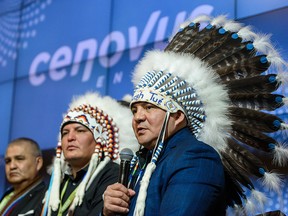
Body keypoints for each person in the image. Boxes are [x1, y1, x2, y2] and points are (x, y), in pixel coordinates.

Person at [103, 15, 288, 216]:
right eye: (134, 109)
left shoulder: (197, 158)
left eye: (149, 107)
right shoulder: (138, 165)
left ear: (178, 116)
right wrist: (107, 212)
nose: (138, 117)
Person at [43, 92, 139, 216]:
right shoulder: (58, 181)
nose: (70, 137)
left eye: (80, 130)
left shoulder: (112, 175)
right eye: (65, 132)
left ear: (99, 140)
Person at [0, 137, 46, 216]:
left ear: (38, 163)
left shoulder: (46, 197)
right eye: (8, 161)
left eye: (19, 159)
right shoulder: (7, 196)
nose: (12, 166)